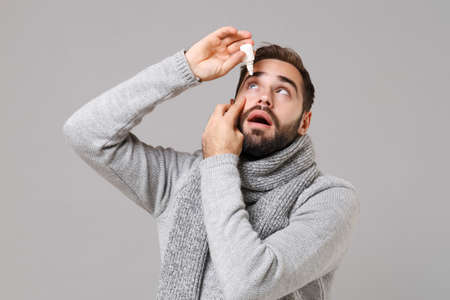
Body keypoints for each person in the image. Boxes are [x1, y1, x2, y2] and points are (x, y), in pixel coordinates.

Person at [63, 26, 360, 300]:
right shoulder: (181, 179)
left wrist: (219, 160)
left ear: (304, 122)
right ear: (232, 105)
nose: (264, 99)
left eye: (282, 91)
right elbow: (85, 133)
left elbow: (249, 285)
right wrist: (185, 69)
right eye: (253, 85)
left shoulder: (327, 198)